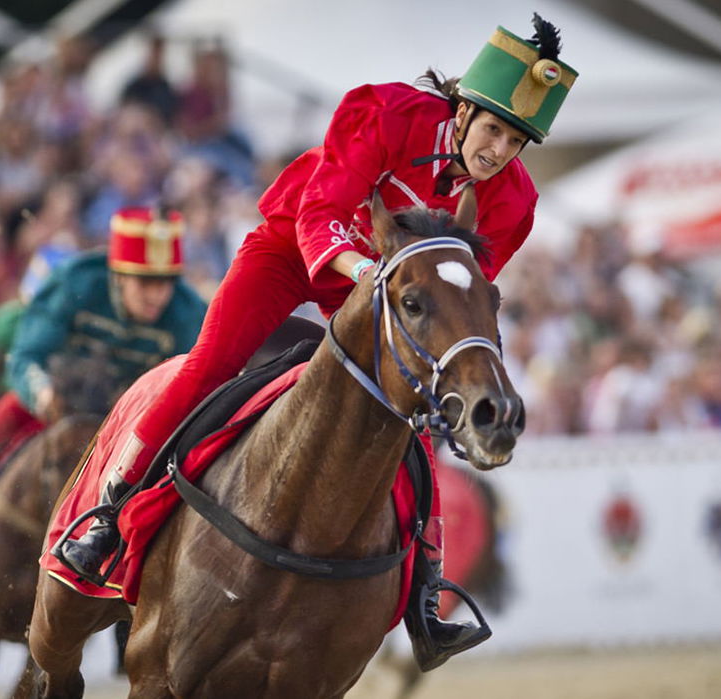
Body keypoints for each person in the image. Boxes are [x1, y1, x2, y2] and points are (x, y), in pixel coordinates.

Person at [55, 14, 577, 668]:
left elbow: (456, 298)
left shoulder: (515, 202)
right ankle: (109, 516)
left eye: (517, 140)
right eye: (494, 129)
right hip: (294, 254)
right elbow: (322, 214)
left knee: (408, 419)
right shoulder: (388, 112)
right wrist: (371, 274)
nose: (499, 151)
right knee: (209, 367)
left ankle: (425, 593)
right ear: (463, 108)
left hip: (385, 291)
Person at [0, 207, 208, 601]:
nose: (158, 296)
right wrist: (42, 393)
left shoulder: (188, 312)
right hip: (52, 402)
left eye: (166, 283)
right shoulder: (74, 282)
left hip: (124, 422)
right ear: (118, 274)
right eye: (145, 283)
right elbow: (26, 357)